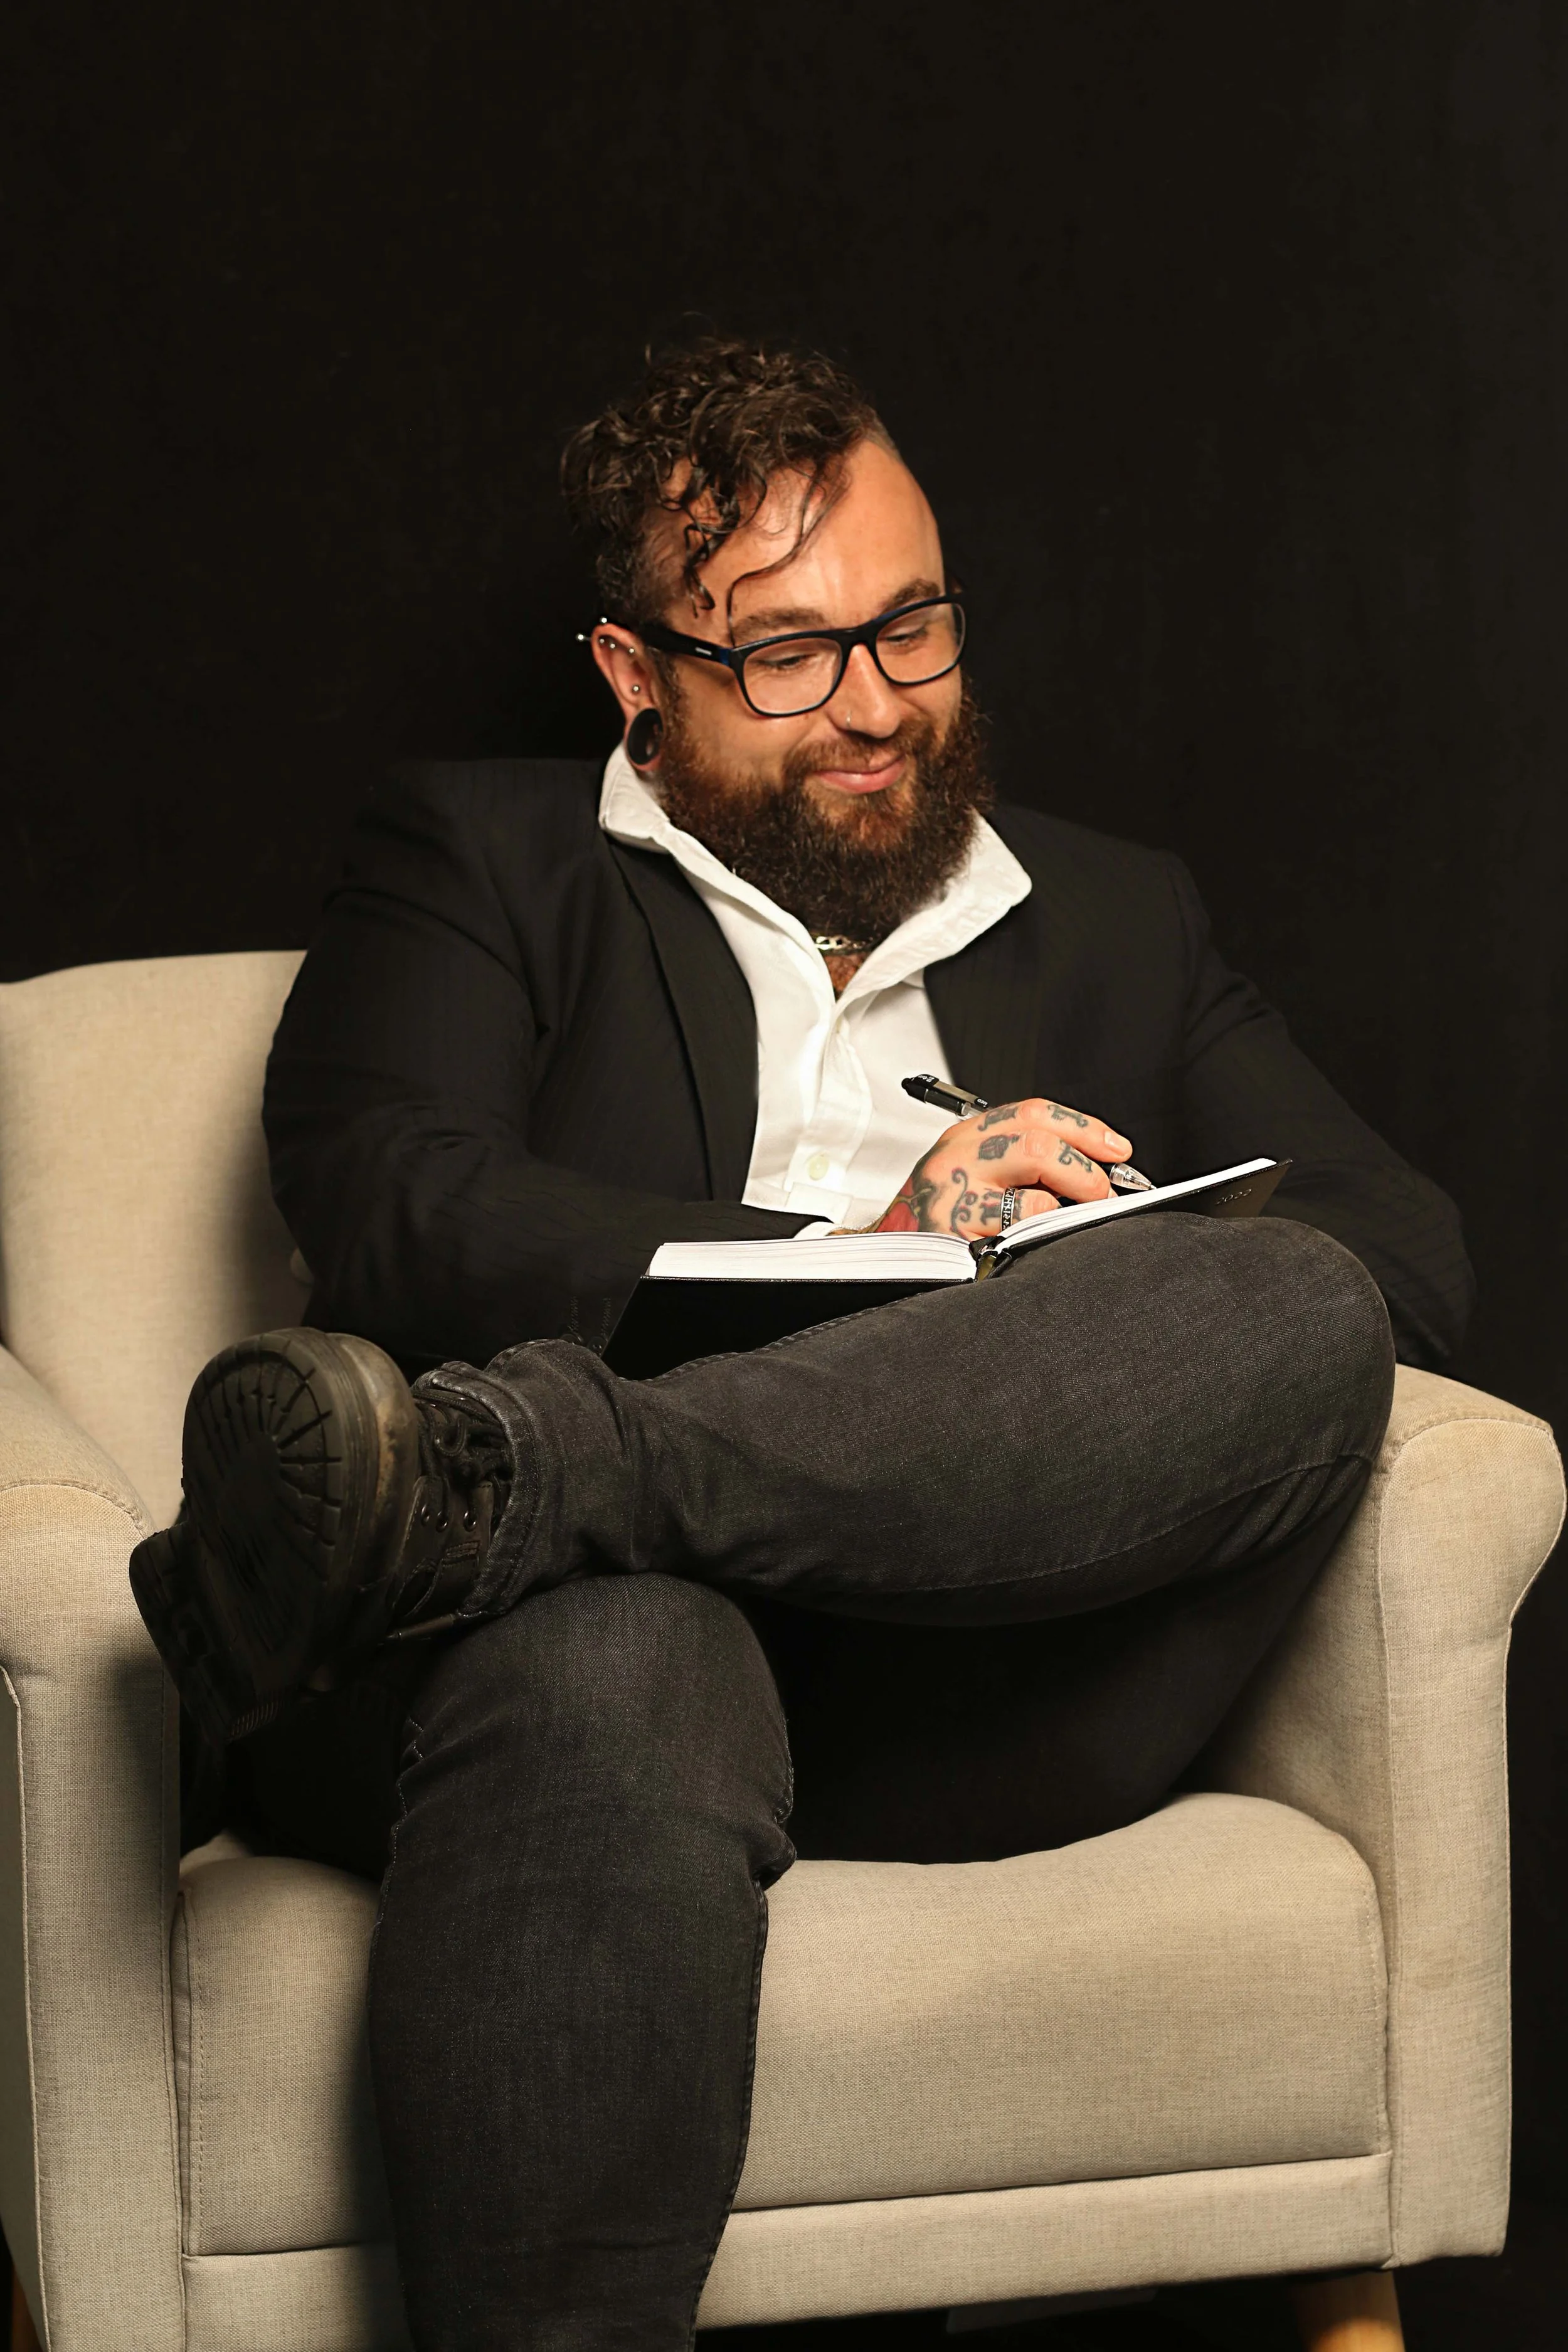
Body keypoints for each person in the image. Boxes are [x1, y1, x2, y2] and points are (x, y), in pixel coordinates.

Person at [129, 336, 1471, 2352]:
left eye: (910, 623)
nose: (872, 702)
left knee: (1296, 1299)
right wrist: (868, 1249)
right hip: (545, 1666)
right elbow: (393, 1192)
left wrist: (1047, 1272)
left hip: (968, 1661)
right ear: (632, 671)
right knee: (624, 1652)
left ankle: (495, 1485)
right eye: (783, 652)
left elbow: (1404, 1249)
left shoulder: (1117, 916)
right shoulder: (484, 857)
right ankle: (543, 1525)